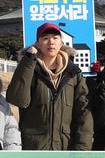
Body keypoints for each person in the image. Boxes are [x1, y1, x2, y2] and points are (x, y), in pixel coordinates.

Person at [6, 22, 93, 150]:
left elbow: (84, 112)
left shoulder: (73, 73)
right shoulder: (29, 69)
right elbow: (17, 99)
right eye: (45, 38)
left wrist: (82, 148)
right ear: (37, 44)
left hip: (66, 149)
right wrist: (28, 60)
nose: (51, 42)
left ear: (61, 43)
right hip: (34, 149)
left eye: (55, 38)